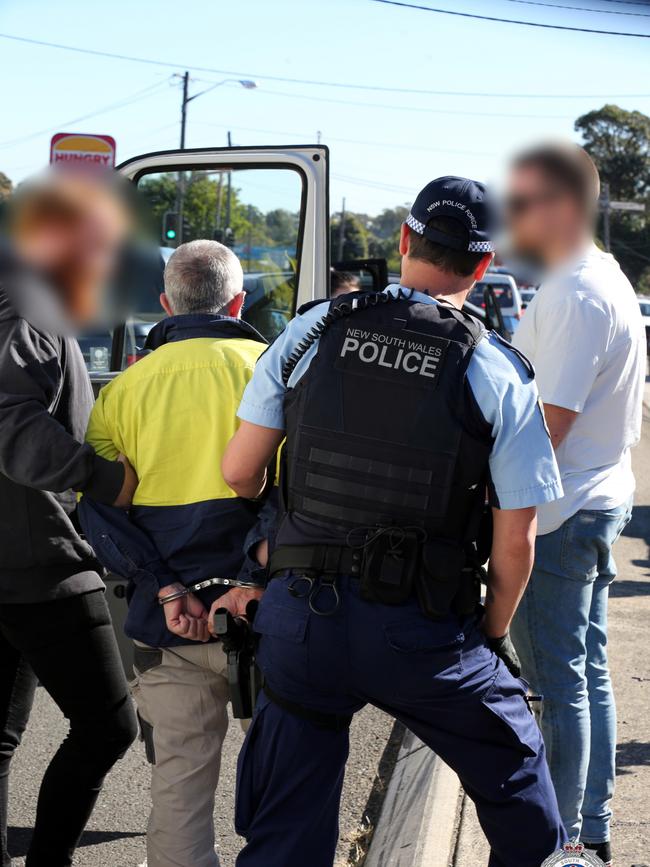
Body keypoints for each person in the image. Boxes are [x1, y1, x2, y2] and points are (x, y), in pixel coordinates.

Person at [217, 176, 567, 867]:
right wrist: (488, 636)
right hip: (424, 634)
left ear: (404, 242)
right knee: (518, 775)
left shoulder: (312, 330)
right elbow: (516, 543)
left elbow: (238, 470)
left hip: (304, 620)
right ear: (485, 264)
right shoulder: (496, 369)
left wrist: (283, 529)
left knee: (286, 829)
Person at [79, 240, 270, 867]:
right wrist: (247, 577)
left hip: (170, 626)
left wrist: (163, 585)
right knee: (284, 779)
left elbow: (101, 512)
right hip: (269, 615)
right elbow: (301, 499)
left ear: (165, 303)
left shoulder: (123, 392)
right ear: (238, 301)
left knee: (180, 792)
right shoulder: (276, 370)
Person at [506, 143, 645, 865]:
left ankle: (559, 842)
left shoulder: (575, 294)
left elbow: (545, 426)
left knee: (559, 687)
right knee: (584, 675)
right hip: (595, 497)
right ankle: (588, 832)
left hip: (560, 513)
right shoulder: (600, 278)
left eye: (525, 201)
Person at [0, 169, 139, 867]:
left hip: (18, 555)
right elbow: (12, 425)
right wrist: (103, 477)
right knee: (108, 726)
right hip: (41, 560)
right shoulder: (25, 304)